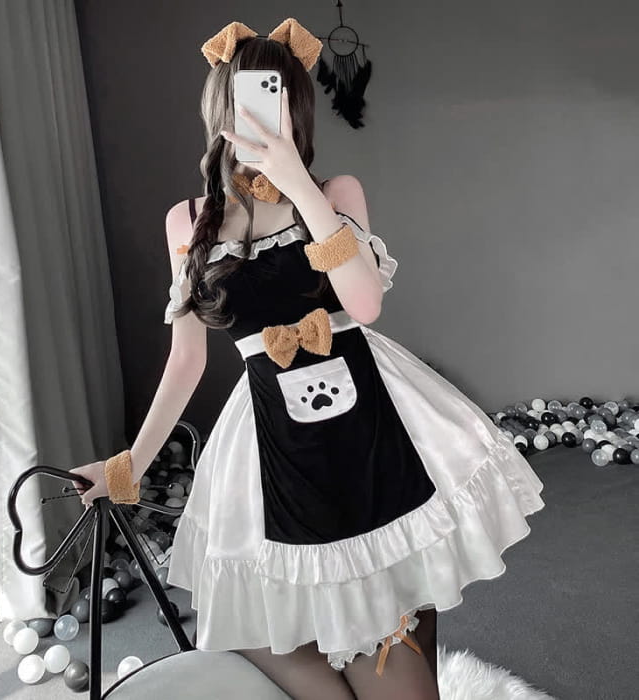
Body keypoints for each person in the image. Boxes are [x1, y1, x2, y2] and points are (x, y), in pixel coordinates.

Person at [70, 17, 545, 700]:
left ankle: (385, 636)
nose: (267, 112)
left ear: (297, 106)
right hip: (272, 436)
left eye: (280, 96)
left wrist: (297, 183)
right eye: (250, 97)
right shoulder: (189, 221)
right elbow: (187, 360)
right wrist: (128, 467)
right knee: (279, 612)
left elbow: (366, 304)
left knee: (402, 666)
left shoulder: (336, 194)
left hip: (369, 423)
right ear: (220, 107)